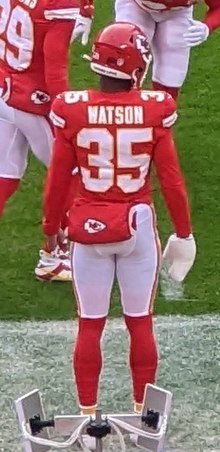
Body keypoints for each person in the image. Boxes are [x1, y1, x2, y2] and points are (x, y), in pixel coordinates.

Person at [43, 22, 196, 422]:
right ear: (135, 66)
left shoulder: (70, 107)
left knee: (89, 327)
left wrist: (50, 227)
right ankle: (142, 413)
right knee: (139, 322)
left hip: (87, 226)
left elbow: (58, 179)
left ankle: (88, 412)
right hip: (136, 226)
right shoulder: (155, 107)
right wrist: (184, 232)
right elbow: (172, 179)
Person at [0, 0, 94, 281]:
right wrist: (65, 114)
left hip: (4, 86)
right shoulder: (58, 5)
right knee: (74, 171)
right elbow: (55, 72)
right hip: (33, 101)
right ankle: (52, 257)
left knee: (4, 175)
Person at [114, 0, 220, 101]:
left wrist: (208, 26)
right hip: (136, 4)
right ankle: (120, 113)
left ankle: (160, 117)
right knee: (126, 64)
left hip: (178, 12)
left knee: (171, 78)